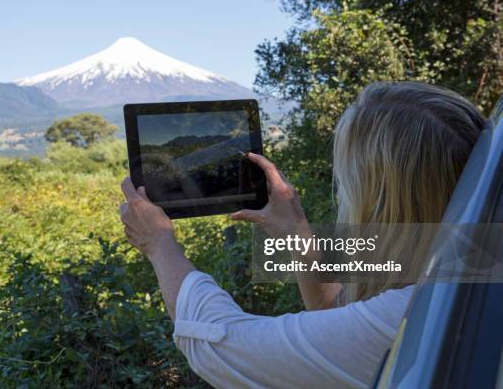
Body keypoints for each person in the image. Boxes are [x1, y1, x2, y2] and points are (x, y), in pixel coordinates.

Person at [118, 82, 486, 388]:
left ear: (383, 202)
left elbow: (220, 346)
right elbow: (336, 319)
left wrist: (160, 244)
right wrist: (295, 233)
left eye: (346, 182)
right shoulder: (472, 274)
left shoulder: (412, 315)